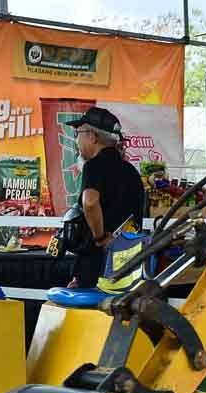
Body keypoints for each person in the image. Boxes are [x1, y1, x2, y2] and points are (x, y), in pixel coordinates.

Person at [66, 107, 144, 289]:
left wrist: (100, 237)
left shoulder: (93, 166)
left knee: (91, 313)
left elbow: (90, 202)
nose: (77, 140)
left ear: (92, 136)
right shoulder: (131, 171)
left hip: (96, 262)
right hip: (127, 262)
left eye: (78, 133)